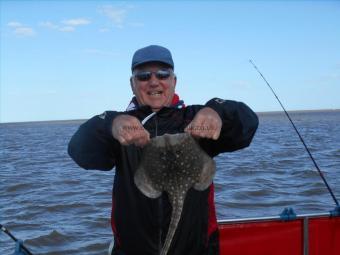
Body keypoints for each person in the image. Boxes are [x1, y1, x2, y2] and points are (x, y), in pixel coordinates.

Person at [68, 45, 259, 255]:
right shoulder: (123, 126)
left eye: (162, 74)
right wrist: (110, 123)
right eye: (143, 76)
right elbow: (79, 150)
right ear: (132, 85)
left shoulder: (195, 118)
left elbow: (246, 126)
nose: (153, 81)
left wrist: (217, 111)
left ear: (174, 81)